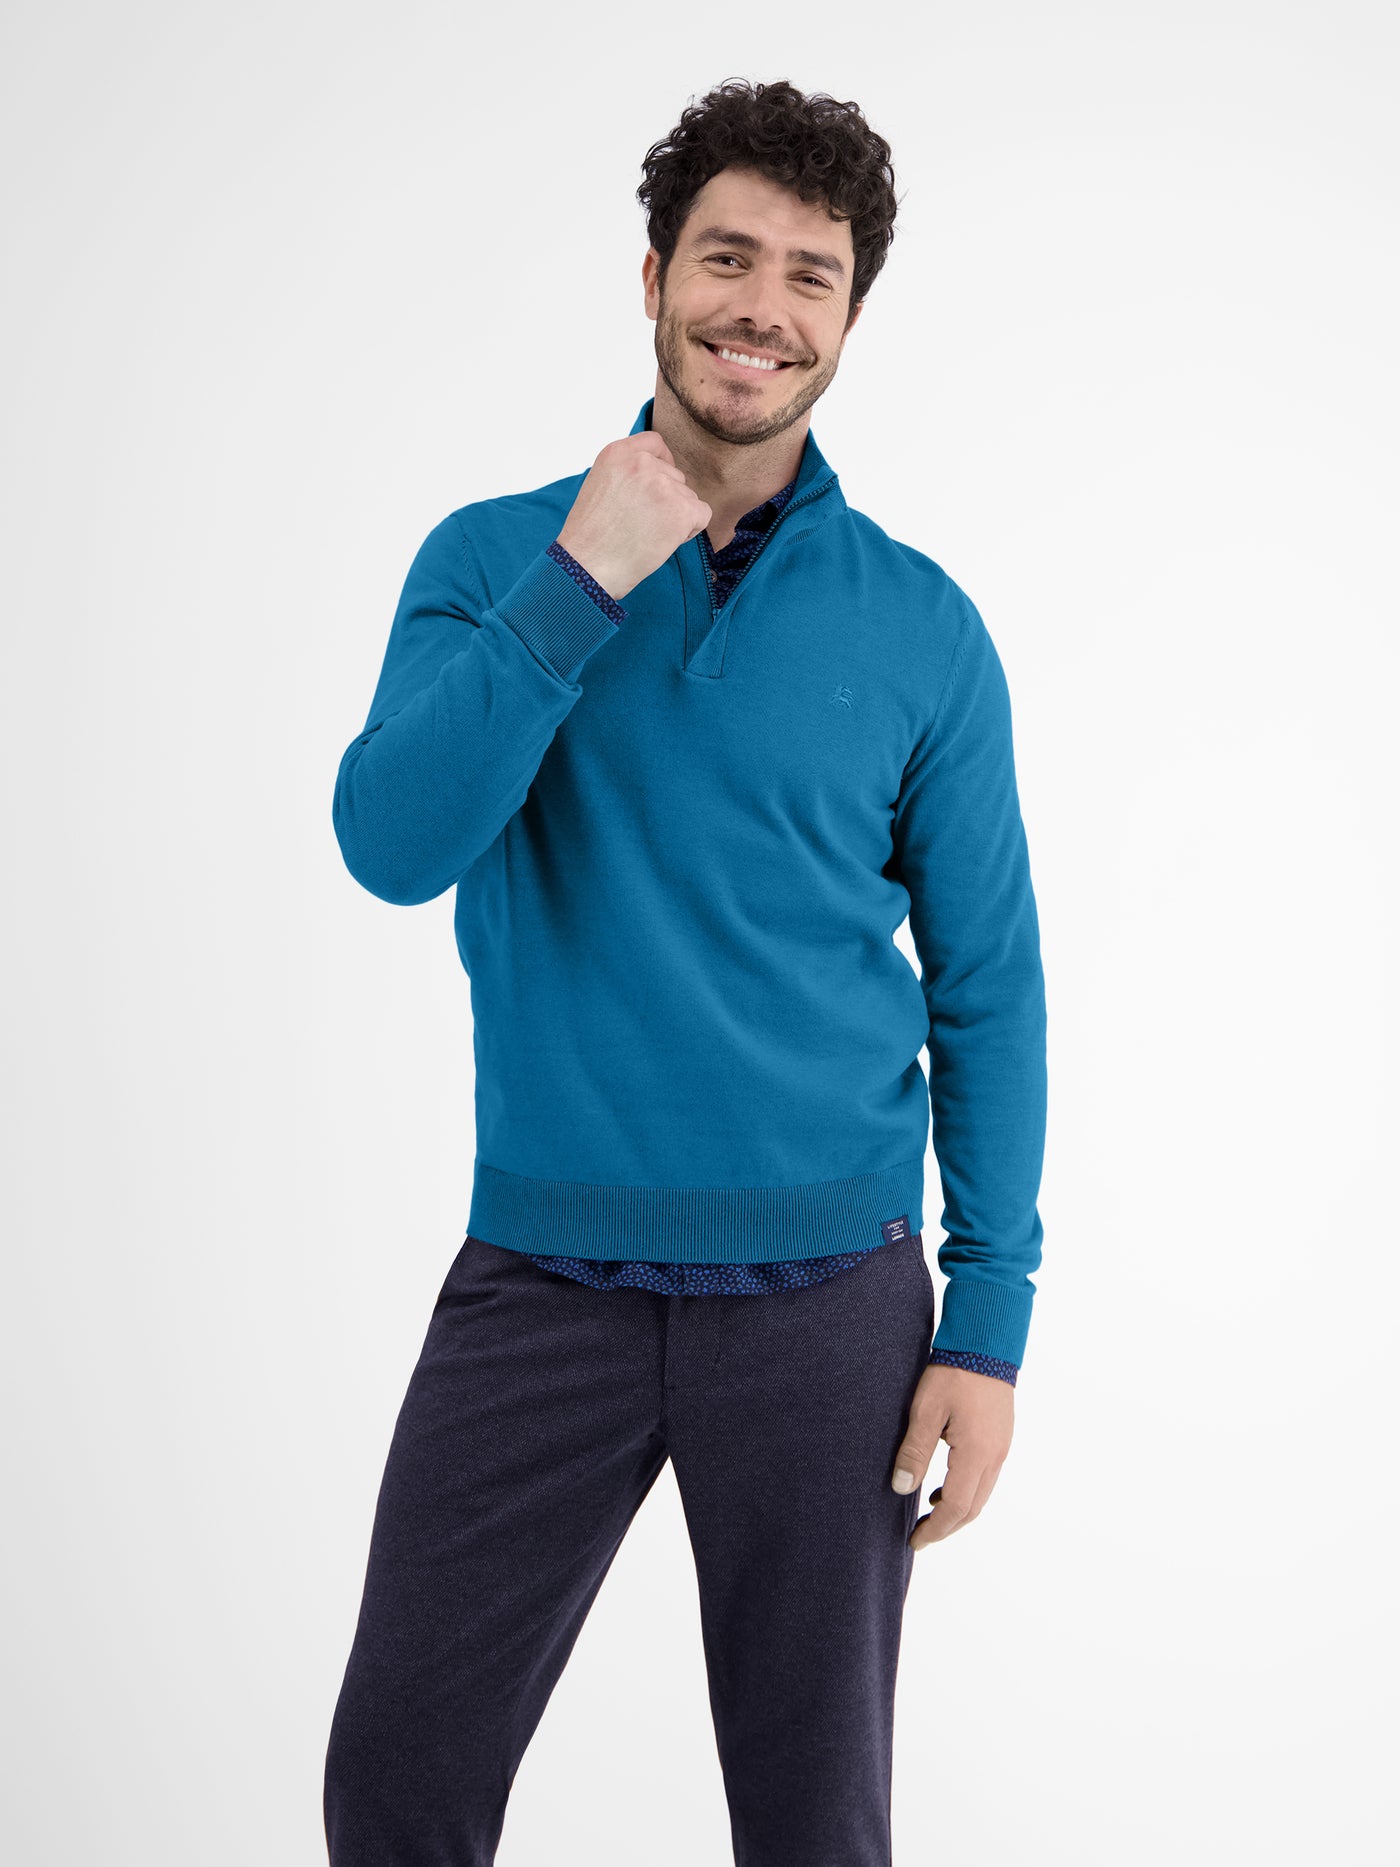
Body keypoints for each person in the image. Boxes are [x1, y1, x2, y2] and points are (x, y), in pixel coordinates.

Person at [323, 74, 1047, 1867]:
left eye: (811, 275)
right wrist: (583, 578)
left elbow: (989, 985)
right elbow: (391, 844)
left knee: (814, 1826)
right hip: (540, 1281)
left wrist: (989, 1318)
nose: (762, 307)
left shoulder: (925, 626)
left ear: (850, 318)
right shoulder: (494, 561)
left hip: (833, 1311)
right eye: (727, 257)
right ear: (653, 277)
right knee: (396, 1786)